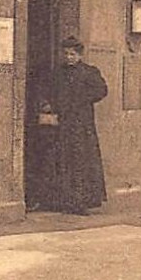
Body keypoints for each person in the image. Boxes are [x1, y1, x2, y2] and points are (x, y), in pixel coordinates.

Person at [37, 37, 108, 214]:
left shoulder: (89, 72)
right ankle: (60, 200)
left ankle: (80, 202)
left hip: (81, 124)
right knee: (59, 160)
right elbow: (47, 91)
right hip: (61, 123)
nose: (69, 57)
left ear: (80, 55)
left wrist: (80, 99)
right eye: (66, 54)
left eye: (72, 54)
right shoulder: (57, 73)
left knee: (80, 161)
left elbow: (101, 91)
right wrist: (47, 103)